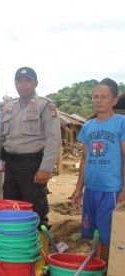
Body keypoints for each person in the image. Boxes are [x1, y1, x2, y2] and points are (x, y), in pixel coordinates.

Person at [0, 66, 61, 228]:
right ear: (15, 84)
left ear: (35, 84)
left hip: (33, 166)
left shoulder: (46, 106)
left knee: (36, 210)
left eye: (28, 81)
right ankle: (18, 246)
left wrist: (45, 168)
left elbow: (53, 140)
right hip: (11, 166)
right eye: (19, 81)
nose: (23, 85)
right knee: (12, 207)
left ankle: (39, 247)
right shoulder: (9, 106)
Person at [71, 78, 125, 262]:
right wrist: (79, 188)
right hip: (91, 189)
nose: (98, 100)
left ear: (114, 101)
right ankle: (96, 265)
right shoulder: (88, 126)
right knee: (91, 232)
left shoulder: (121, 123)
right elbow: (85, 158)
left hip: (111, 190)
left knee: (109, 234)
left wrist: (124, 189)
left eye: (104, 97)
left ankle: (108, 267)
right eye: (95, 97)